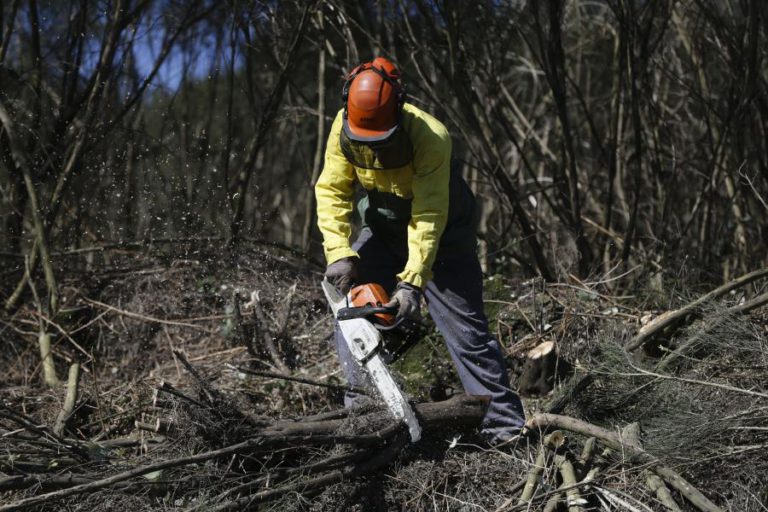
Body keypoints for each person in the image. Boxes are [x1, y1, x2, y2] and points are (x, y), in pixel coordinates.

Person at [315, 57, 525, 443]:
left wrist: (412, 284)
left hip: (443, 239)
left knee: (468, 337)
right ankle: (366, 415)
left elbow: (428, 216)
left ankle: (505, 430)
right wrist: (339, 252)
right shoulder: (341, 128)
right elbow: (331, 190)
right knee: (350, 317)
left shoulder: (431, 136)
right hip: (382, 230)